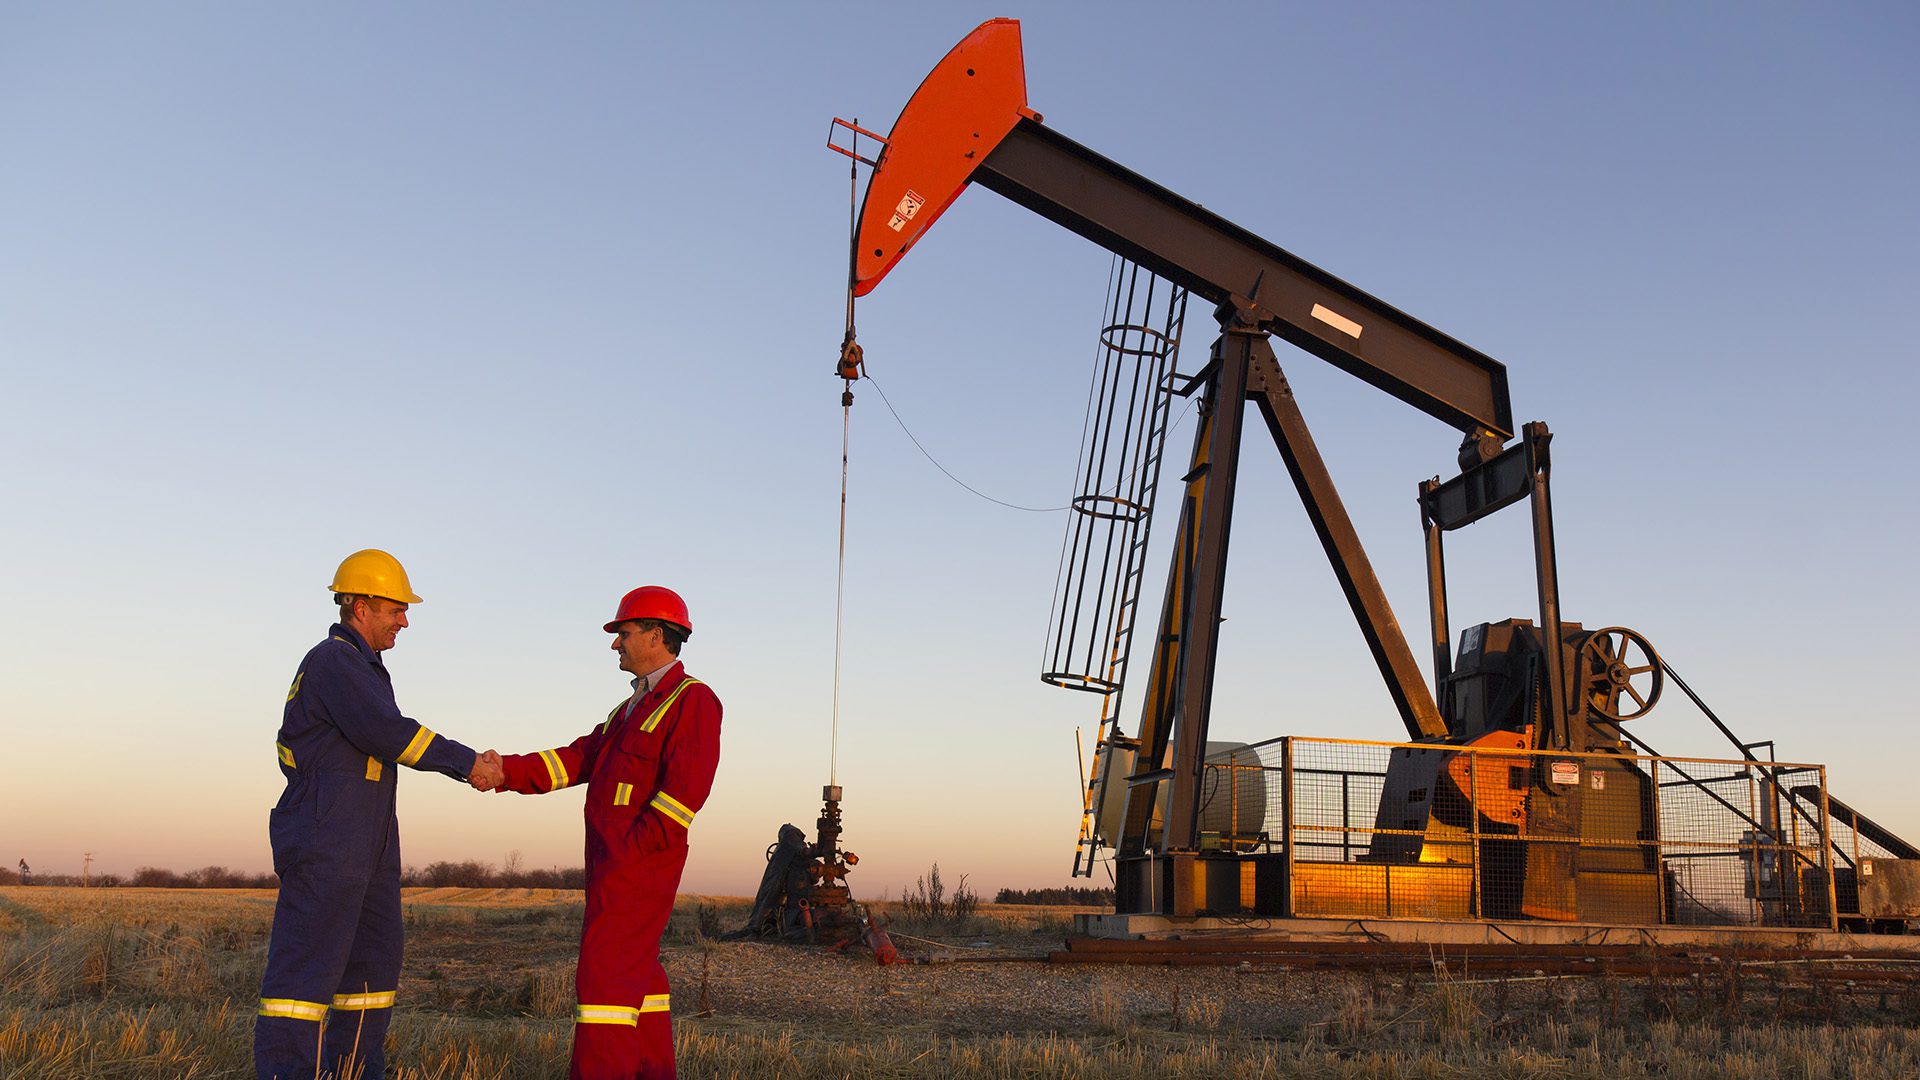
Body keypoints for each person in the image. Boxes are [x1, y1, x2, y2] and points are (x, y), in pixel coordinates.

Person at [468, 585, 722, 1080]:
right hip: (614, 865)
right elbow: (577, 759)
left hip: (637, 868)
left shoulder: (693, 699)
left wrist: (635, 851)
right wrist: (504, 772)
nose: (614, 644)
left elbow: (686, 792)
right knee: (638, 978)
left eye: (623, 633)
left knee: (604, 978)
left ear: (656, 635)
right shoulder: (628, 710)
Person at [255, 549, 489, 1080]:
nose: (405, 621)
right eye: (396, 609)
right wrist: (470, 763)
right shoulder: (335, 661)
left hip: (369, 842)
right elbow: (388, 733)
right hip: (328, 838)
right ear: (360, 606)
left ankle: (357, 1072)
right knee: (303, 982)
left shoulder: (363, 667)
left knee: (372, 973)